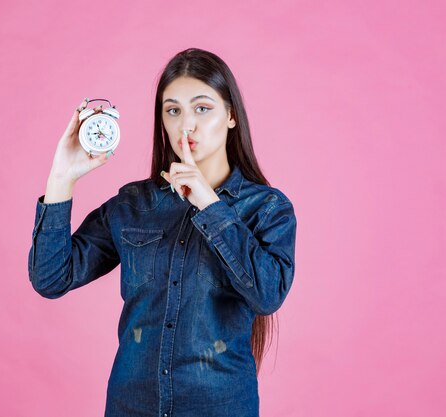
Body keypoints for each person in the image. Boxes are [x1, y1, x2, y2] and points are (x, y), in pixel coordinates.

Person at [28, 47, 297, 417]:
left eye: (202, 108)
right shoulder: (133, 205)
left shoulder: (267, 208)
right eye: (173, 110)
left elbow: (268, 295)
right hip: (131, 406)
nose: (186, 124)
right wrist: (61, 177)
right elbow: (51, 277)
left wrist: (210, 205)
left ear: (231, 115)